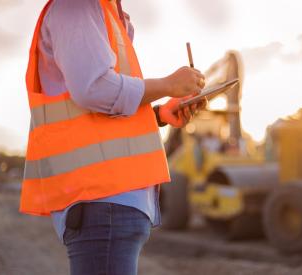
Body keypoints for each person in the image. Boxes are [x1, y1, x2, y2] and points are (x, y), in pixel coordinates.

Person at [19, 0, 206, 274]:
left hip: (110, 202)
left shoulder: (106, 14)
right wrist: (168, 85)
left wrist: (159, 115)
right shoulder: (77, 7)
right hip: (102, 201)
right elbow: (94, 89)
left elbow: (103, 113)